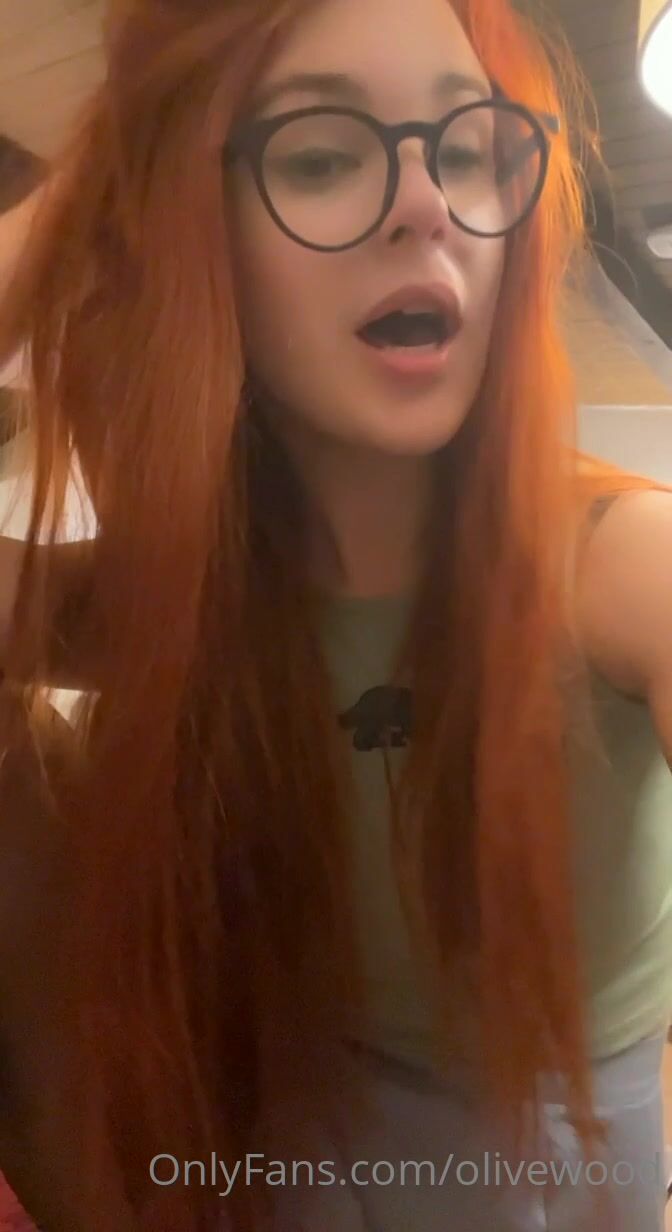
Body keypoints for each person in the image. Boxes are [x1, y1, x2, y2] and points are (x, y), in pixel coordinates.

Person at [0, 0, 671, 1229]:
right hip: (295, 1096)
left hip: (565, 1125)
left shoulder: (620, 565)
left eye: (469, 149)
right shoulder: (172, 595)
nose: (429, 204)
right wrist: (87, 205)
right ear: (190, 227)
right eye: (320, 156)